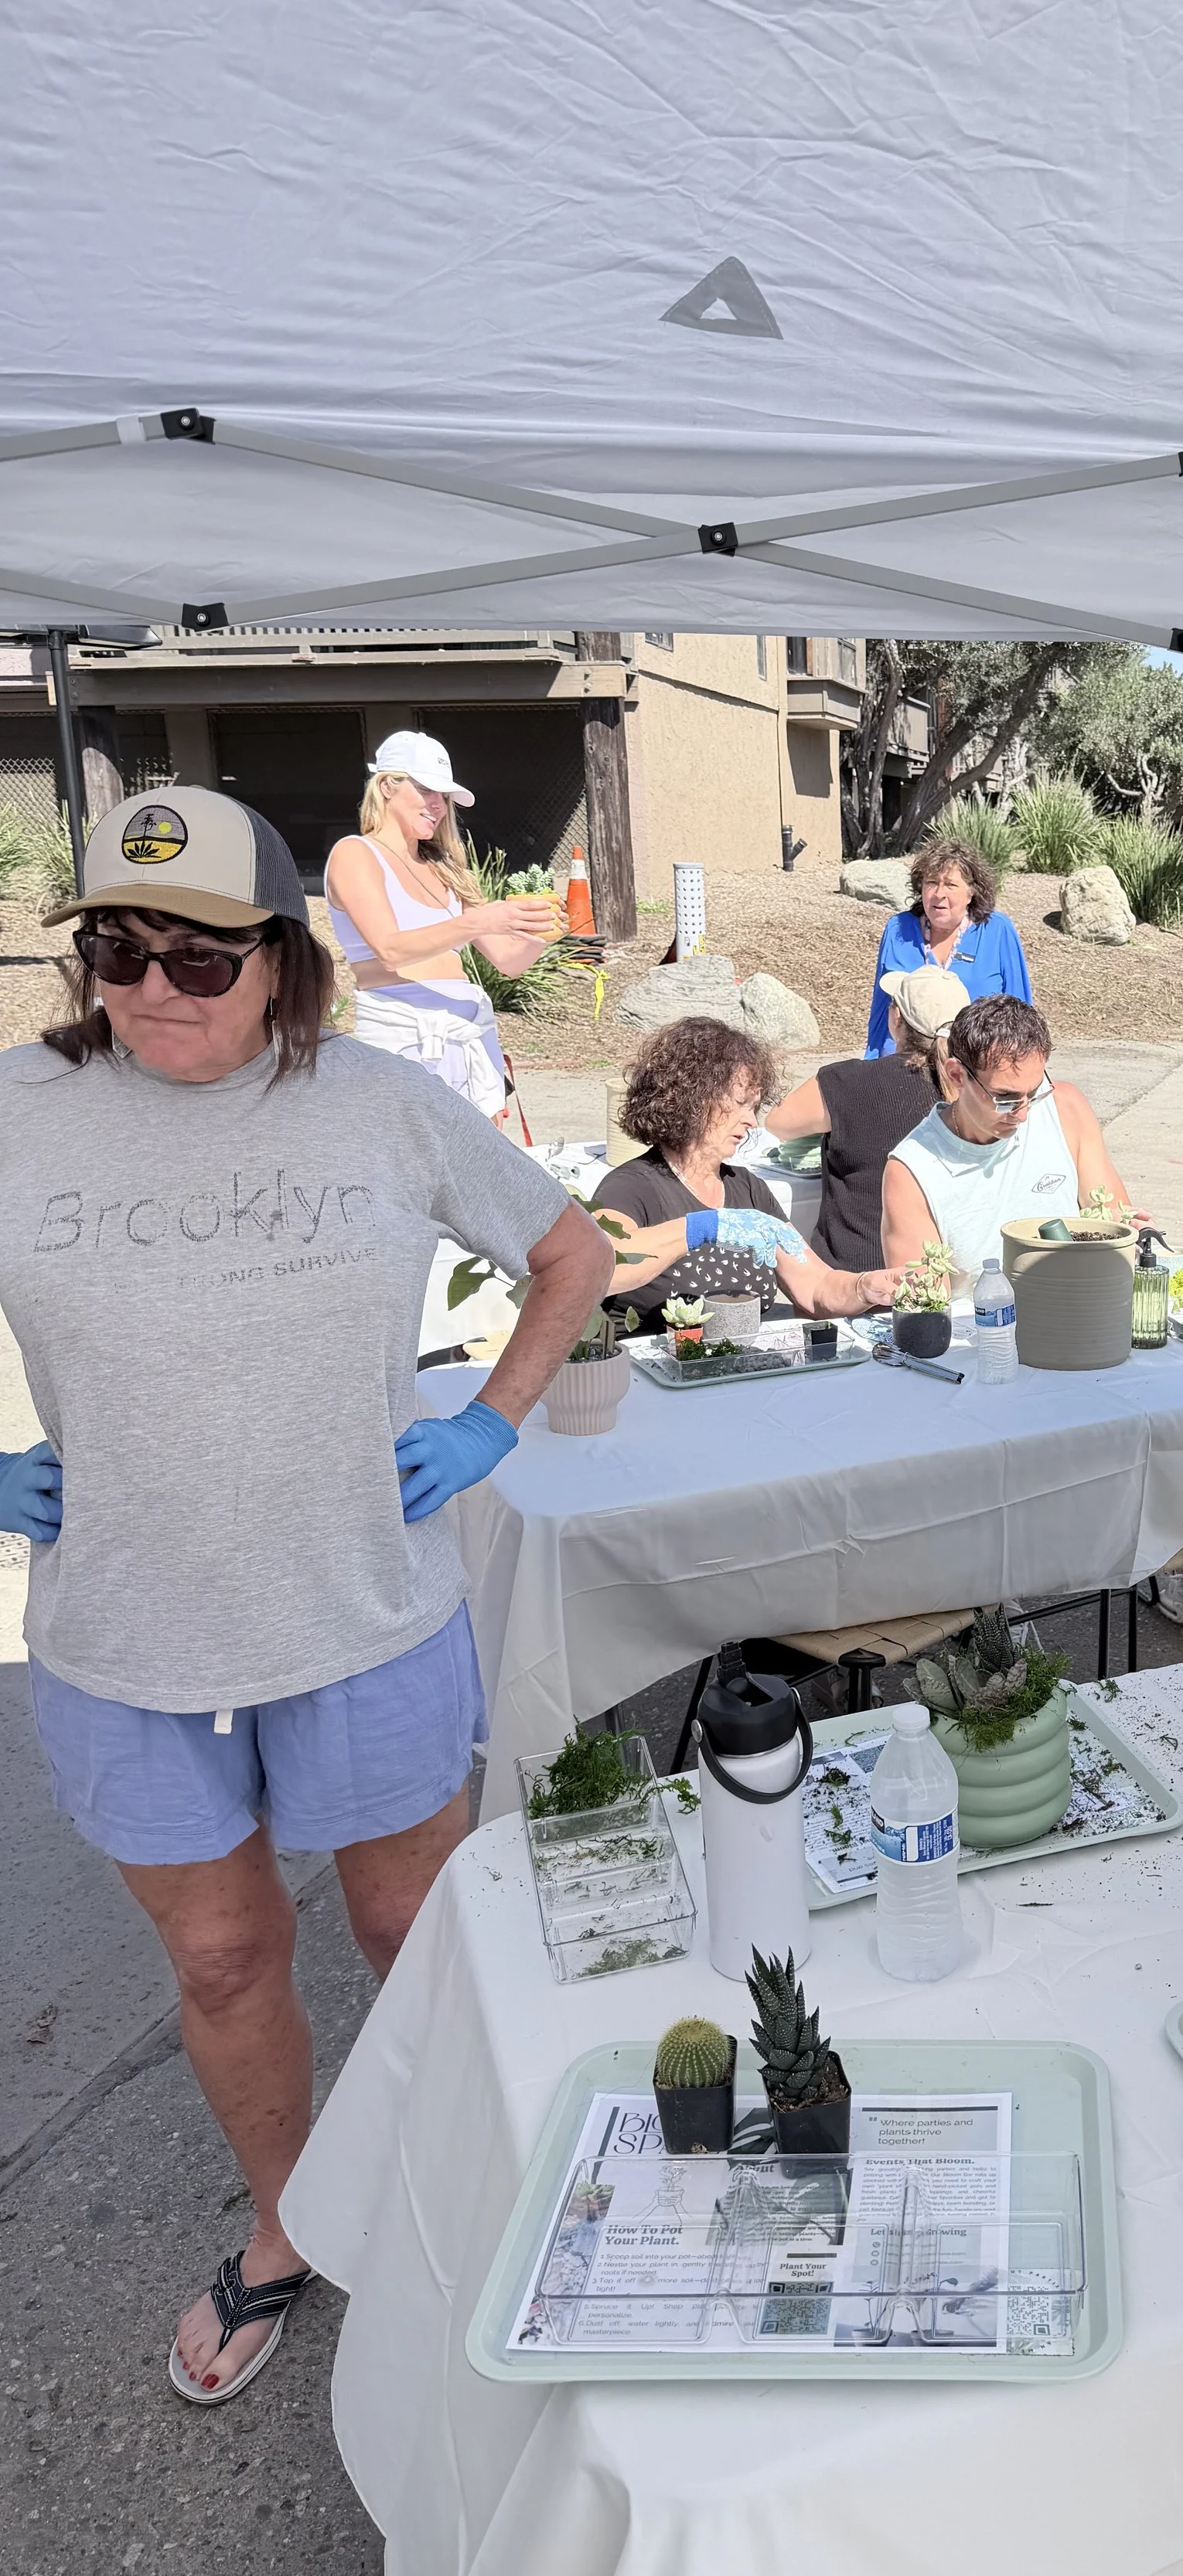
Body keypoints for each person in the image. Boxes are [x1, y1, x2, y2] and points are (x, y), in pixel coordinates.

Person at [2, 787, 611, 2402]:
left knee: (413, 1921)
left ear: (283, 960)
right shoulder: (15, 1109)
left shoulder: (382, 1104)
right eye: (116, 951)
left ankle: (449, 2188)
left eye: (197, 960)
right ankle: (289, 2222)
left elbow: (571, 1251)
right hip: (127, 1640)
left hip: (364, 1612)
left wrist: (487, 1419)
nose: (147, 989)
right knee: (221, 1957)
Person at [591, 1017, 899, 1327]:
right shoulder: (631, 1187)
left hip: (741, 1361)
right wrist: (703, 1227)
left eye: (754, 1107)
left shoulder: (749, 1190)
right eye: (740, 1104)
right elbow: (607, 1267)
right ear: (692, 1101)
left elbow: (817, 1288)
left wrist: (865, 1287)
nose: (751, 1121)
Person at [325, 728, 557, 1124]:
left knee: (477, 1173)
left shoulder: (445, 866)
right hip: (403, 1034)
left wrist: (545, 930)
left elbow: (508, 962)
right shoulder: (356, 854)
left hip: (466, 1033)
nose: (438, 805)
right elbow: (391, 950)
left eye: (444, 797)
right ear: (386, 787)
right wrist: (476, 921)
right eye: (427, 791)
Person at [883, 993, 1139, 1274]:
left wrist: (1133, 1231)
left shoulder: (1065, 1108)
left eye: (1035, 1092)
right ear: (957, 1076)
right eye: (1005, 1097)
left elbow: (1114, 1220)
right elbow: (927, 1306)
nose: (1023, 1113)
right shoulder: (912, 1171)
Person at [766, 963, 969, 1268]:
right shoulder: (979, 1091)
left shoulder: (849, 1081)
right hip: (941, 1275)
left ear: (896, 1018)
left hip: (852, 1276)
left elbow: (777, 1123)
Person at [864, 837, 1031, 1057]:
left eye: (951, 885)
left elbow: (1020, 1011)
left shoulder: (997, 930)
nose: (939, 894)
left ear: (971, 893)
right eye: (931, 882)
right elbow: (881, 1009)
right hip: (903, 1065)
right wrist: (871, 1062)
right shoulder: (898, 928)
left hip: (972, 1067)